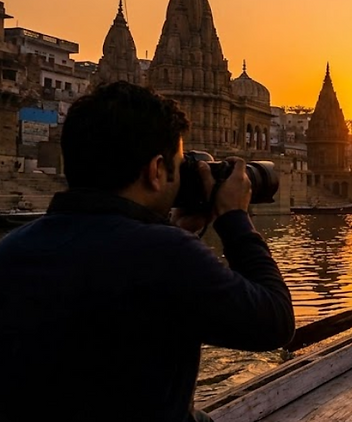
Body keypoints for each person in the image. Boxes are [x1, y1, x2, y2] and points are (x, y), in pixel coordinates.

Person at [0, 82, 295, 422]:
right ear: (156, 170)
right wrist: (234, 219)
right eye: (180, 165)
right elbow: (275, 322)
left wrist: (176, 230)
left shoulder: (12, 248)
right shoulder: (164, 254)